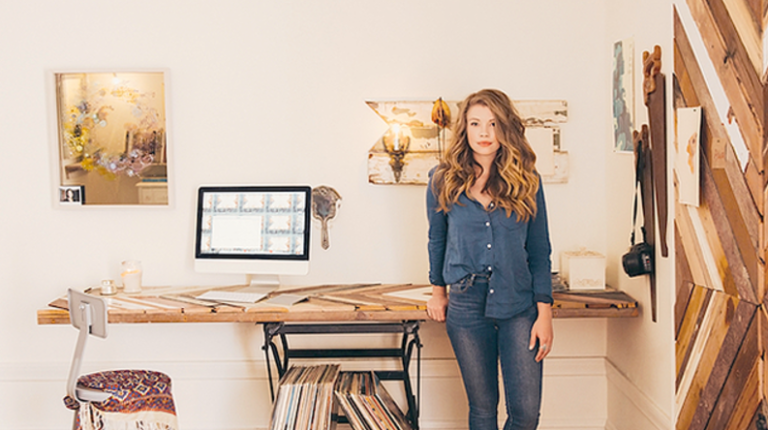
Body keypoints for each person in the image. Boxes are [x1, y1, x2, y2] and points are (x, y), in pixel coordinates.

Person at [426, 88, 553, 430]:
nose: (485, 133)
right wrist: (438, 293)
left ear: (506, 128)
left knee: (525, 414)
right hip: (466, 306)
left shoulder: (528, 181)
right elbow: (437, 240)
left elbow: (540, 251)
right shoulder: (442, 180)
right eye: (476, 123)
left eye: (494, 124)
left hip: (519, 304)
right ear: (464, 129)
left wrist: (545, 314)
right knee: (482, 410)